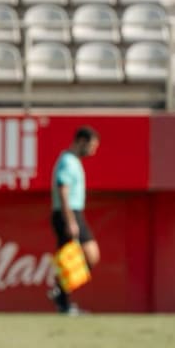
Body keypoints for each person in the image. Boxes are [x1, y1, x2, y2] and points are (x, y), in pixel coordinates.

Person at [47, 127, 100, 315]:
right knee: (80, 256)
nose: (93, 151)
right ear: (81, 141)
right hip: (67, 213)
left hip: (72, 212)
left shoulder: (73, 161)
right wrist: (70, 220)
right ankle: (62, 299)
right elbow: (63, 189)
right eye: (92, 146)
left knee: (82, 257)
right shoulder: (68, 162)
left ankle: (60, 295)